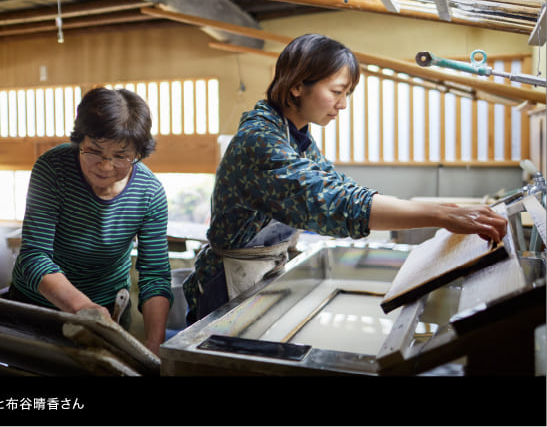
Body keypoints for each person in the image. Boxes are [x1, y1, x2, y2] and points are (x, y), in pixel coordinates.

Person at [183, 33, 507, 325]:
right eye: (337, 91)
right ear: (297, 85)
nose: (344, 104)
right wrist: (438, 215)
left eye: (348, 93)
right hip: (224, 286)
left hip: (259, 272)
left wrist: (435, 211)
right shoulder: (260, 140)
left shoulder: (295, 134)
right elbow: (333, 203)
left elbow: (339, 186)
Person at [9, 87, 172, 355]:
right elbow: (33, 256)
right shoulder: (53, 169)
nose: (106, 166)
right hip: (39, 305)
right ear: (79, 140)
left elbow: (154, 275)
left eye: (121, 156)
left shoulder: (150, 192)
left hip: (108, 309)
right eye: (94, 151)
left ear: (139, 153)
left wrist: (156, 344)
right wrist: (84, 308)